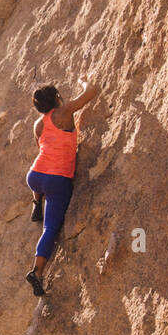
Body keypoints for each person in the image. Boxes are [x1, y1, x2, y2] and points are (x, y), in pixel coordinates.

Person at [25, 80, 100, 296]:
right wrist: (83, 81)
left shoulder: (38, 124)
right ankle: (37, 272)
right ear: (57, 98)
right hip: (57, 180)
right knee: (50, 229)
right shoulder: (64, 112)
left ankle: (36, 201)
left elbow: (40, 146)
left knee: (40, 181)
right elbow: (90, 92)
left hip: (35, 176)